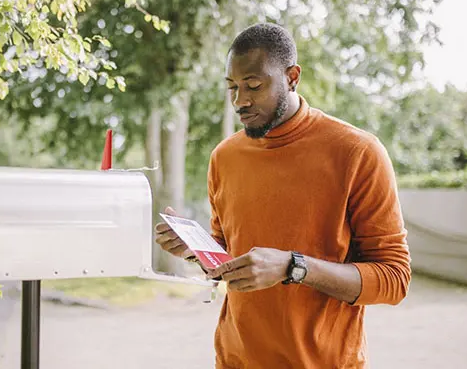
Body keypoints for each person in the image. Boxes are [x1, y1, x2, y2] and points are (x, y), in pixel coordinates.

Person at [154, 22, 411, 369]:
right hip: (234, 360)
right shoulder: (224, 157)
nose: (240, 101)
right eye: (232, 87)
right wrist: (194, 247)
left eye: (254, 86)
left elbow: (394, 278)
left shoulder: (357, 152)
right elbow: (228, 259)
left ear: (292, 77)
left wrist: (294, 267)